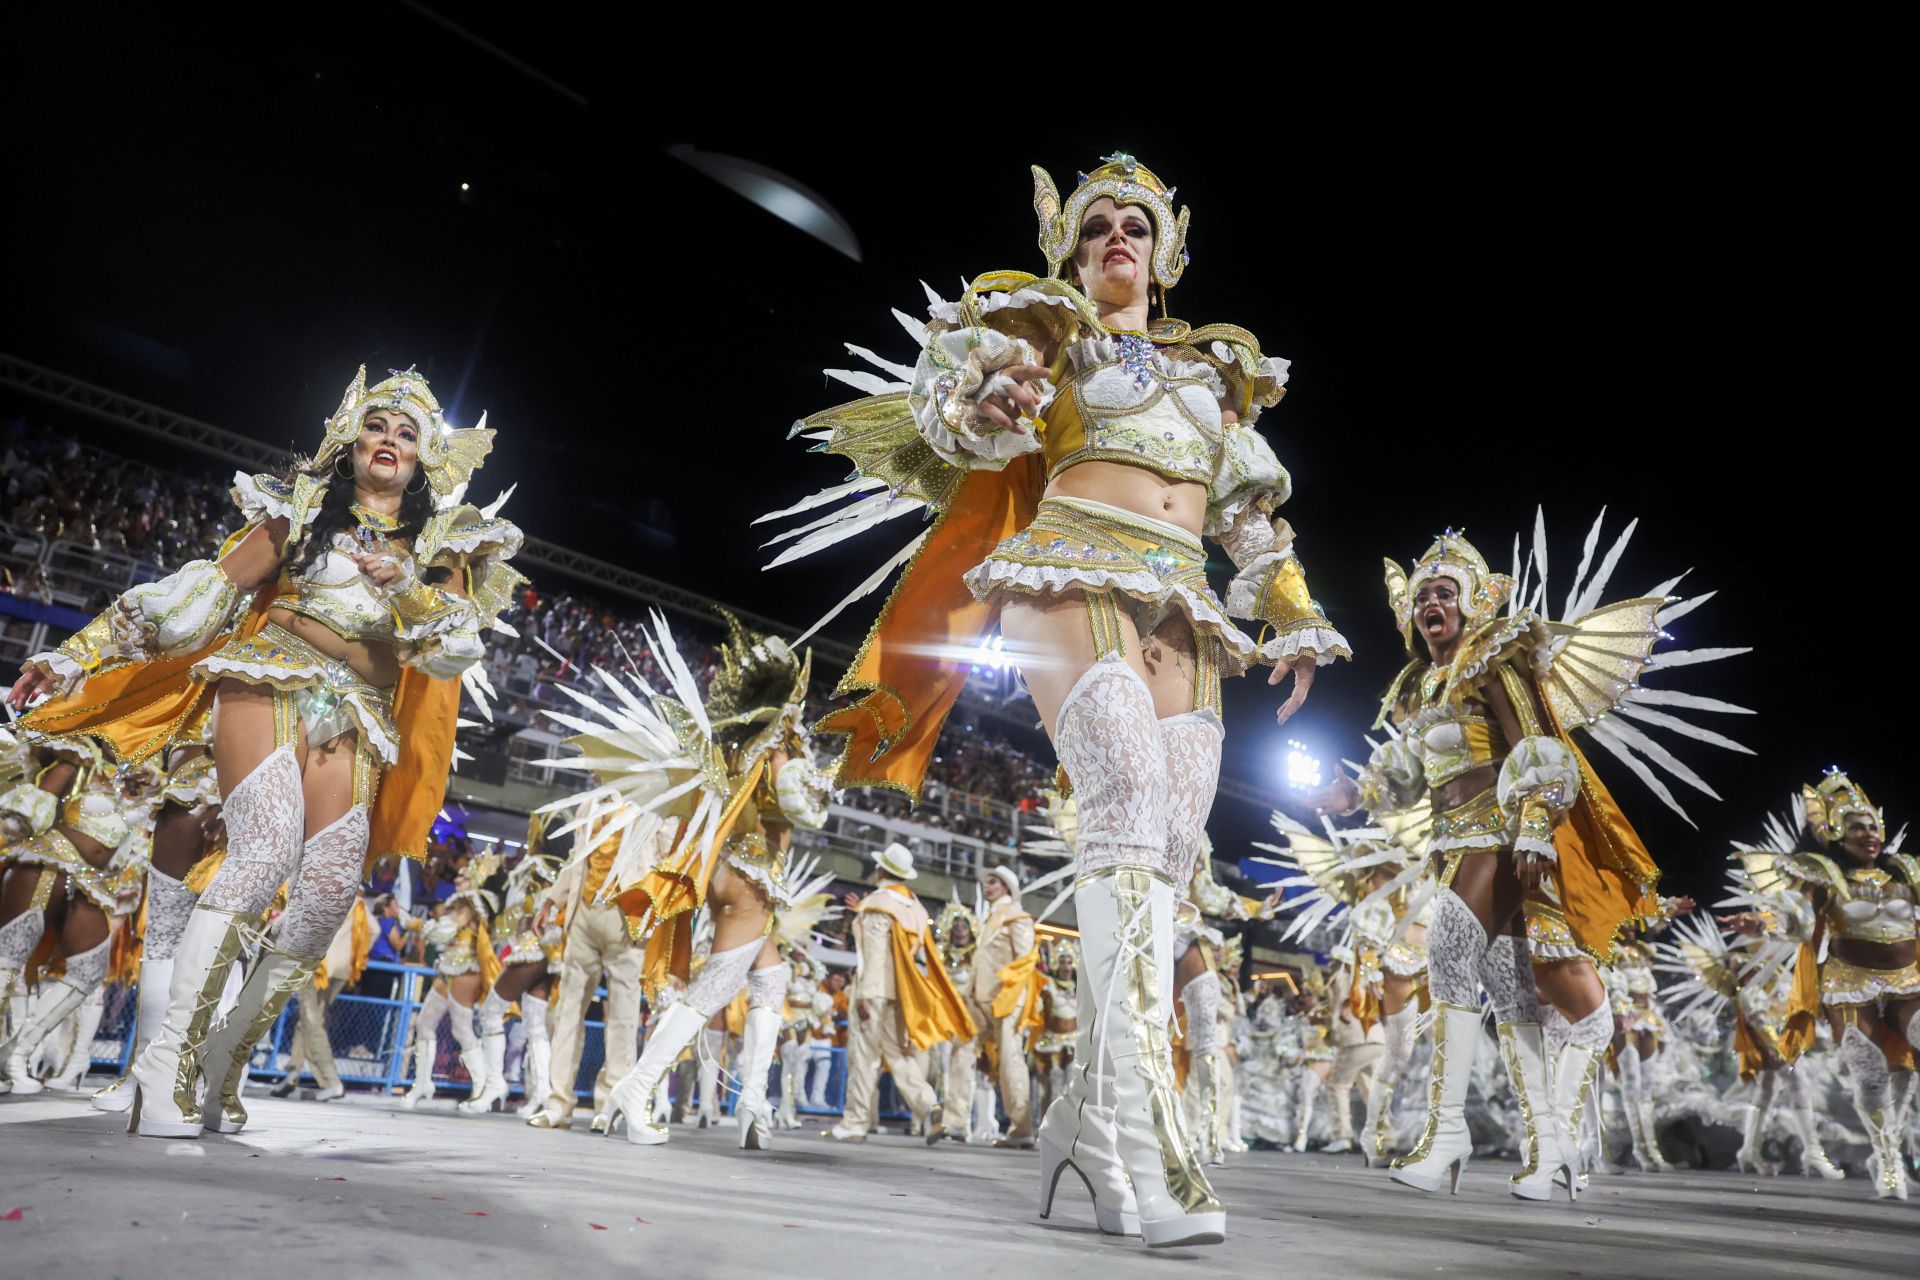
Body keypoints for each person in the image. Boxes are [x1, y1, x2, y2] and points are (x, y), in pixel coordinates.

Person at [766, 153, 1349, 1250]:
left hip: (1186, 601)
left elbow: (1254, 526)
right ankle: (1144, 1134)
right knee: (1123, 804)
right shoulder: (1052, 332)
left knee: (1169, 865)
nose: (1117, 237)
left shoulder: (1218, 372)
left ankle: (1079, 1117)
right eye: (1097, 228)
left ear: (1168, 253)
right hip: (1072, 567)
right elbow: (962, 418)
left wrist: (1294, 608)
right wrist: (988, 396)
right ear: (1072, 252)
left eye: (1137, 224)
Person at [7, 365, 523, 1137]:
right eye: (377, 426)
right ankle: (164, 1062)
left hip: (359, 715)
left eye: (406, 432)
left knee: (320, 902)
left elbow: (452, 648)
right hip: (267, 681)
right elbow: (200, 598)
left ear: (422, 460)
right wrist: (77, 654)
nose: (389, 440)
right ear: (351, 440)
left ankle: (222, 1059)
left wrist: (404, 583)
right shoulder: (301, 509)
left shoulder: (443, 545)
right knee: (263, 850)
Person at [1309, 517, 1746, 1201]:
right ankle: (1553, 1149)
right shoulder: (1420, 688)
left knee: (1449, 954)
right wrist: (1355, 792)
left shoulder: (1495, 658)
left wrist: (1536, 827)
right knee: (1512, 995)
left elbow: (1537, 749)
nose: (1434, 606)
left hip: (1499, 831)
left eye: (1448, 593)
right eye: (1425, 597)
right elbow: (1404, 771)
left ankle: (1447, 1130)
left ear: (1476, 601)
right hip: (1450, 842)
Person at [536, 613, 838, 1152]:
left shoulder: (735, 748)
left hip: (735, 873)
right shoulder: (773, 747)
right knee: (711, 992)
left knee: (771, 983)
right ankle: (637, 1087)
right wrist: (827, 768)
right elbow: (803, 806)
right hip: (748, 878)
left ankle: (751, 1103)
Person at [1723, 772, 1920, 1199]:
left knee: (1908, 1063)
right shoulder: (1824, 875)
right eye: (1856, 827)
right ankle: (1887, 1158)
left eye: (1872, 826)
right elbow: (1798, 923)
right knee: (1869, 1074)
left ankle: (1892, 1143)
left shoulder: (1906, 870)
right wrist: (1761, 921)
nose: (1868, 834)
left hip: (1909, 982)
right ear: (1837, 834)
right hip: (1850, 984)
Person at [0, 736, 157, 1093]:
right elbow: (27, 811)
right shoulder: (76, 751)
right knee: (7, 963)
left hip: (96, 881)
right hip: (47, 862)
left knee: (89, 971)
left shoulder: (148, 771)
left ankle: (15, 1055)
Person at [826, 843, 974, 1141]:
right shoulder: (916, 908)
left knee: (864, 1054)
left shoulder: (878, 903)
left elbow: (875, 954)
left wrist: (866, 992)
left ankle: (855, 1122)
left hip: (874, 989)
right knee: (899, 1053)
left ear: (882, 870)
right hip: (901, 992)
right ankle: (928, 1102)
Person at [939, 865, 1041, 1146]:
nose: (988, 886)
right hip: (979, 998)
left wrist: (1010, 993)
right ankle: (955, 1123)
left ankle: (1021, 1130)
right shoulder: (989, 919)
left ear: (1007, 887)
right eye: (986, 882)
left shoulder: (1016, 917)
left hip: (1006, 999)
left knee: (1010, 1059)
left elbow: (1025, 959)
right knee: (961, 1048)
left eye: (994, 882)